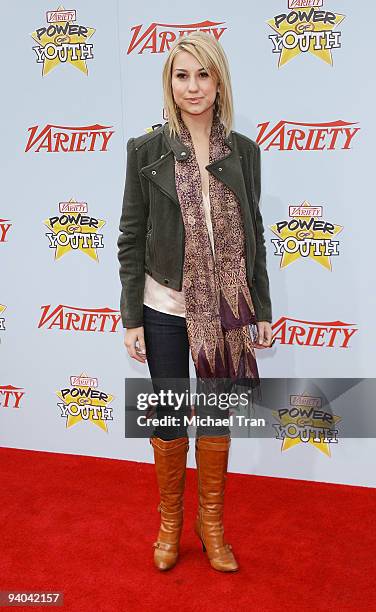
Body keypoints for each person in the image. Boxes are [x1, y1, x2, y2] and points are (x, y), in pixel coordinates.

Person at [117, 31, 272, 573]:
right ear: (170, 82)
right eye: (182, 75)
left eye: (203, 74)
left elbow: (253, 231)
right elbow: (131, 237)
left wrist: (262, 309)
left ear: (219, 80)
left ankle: (211, 526)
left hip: (225, 309)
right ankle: (169, 525)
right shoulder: (146, 151)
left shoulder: (244, 152)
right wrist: (131, 316)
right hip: (162, 304)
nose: (193, 86)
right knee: (167, 415)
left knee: (212, 417)